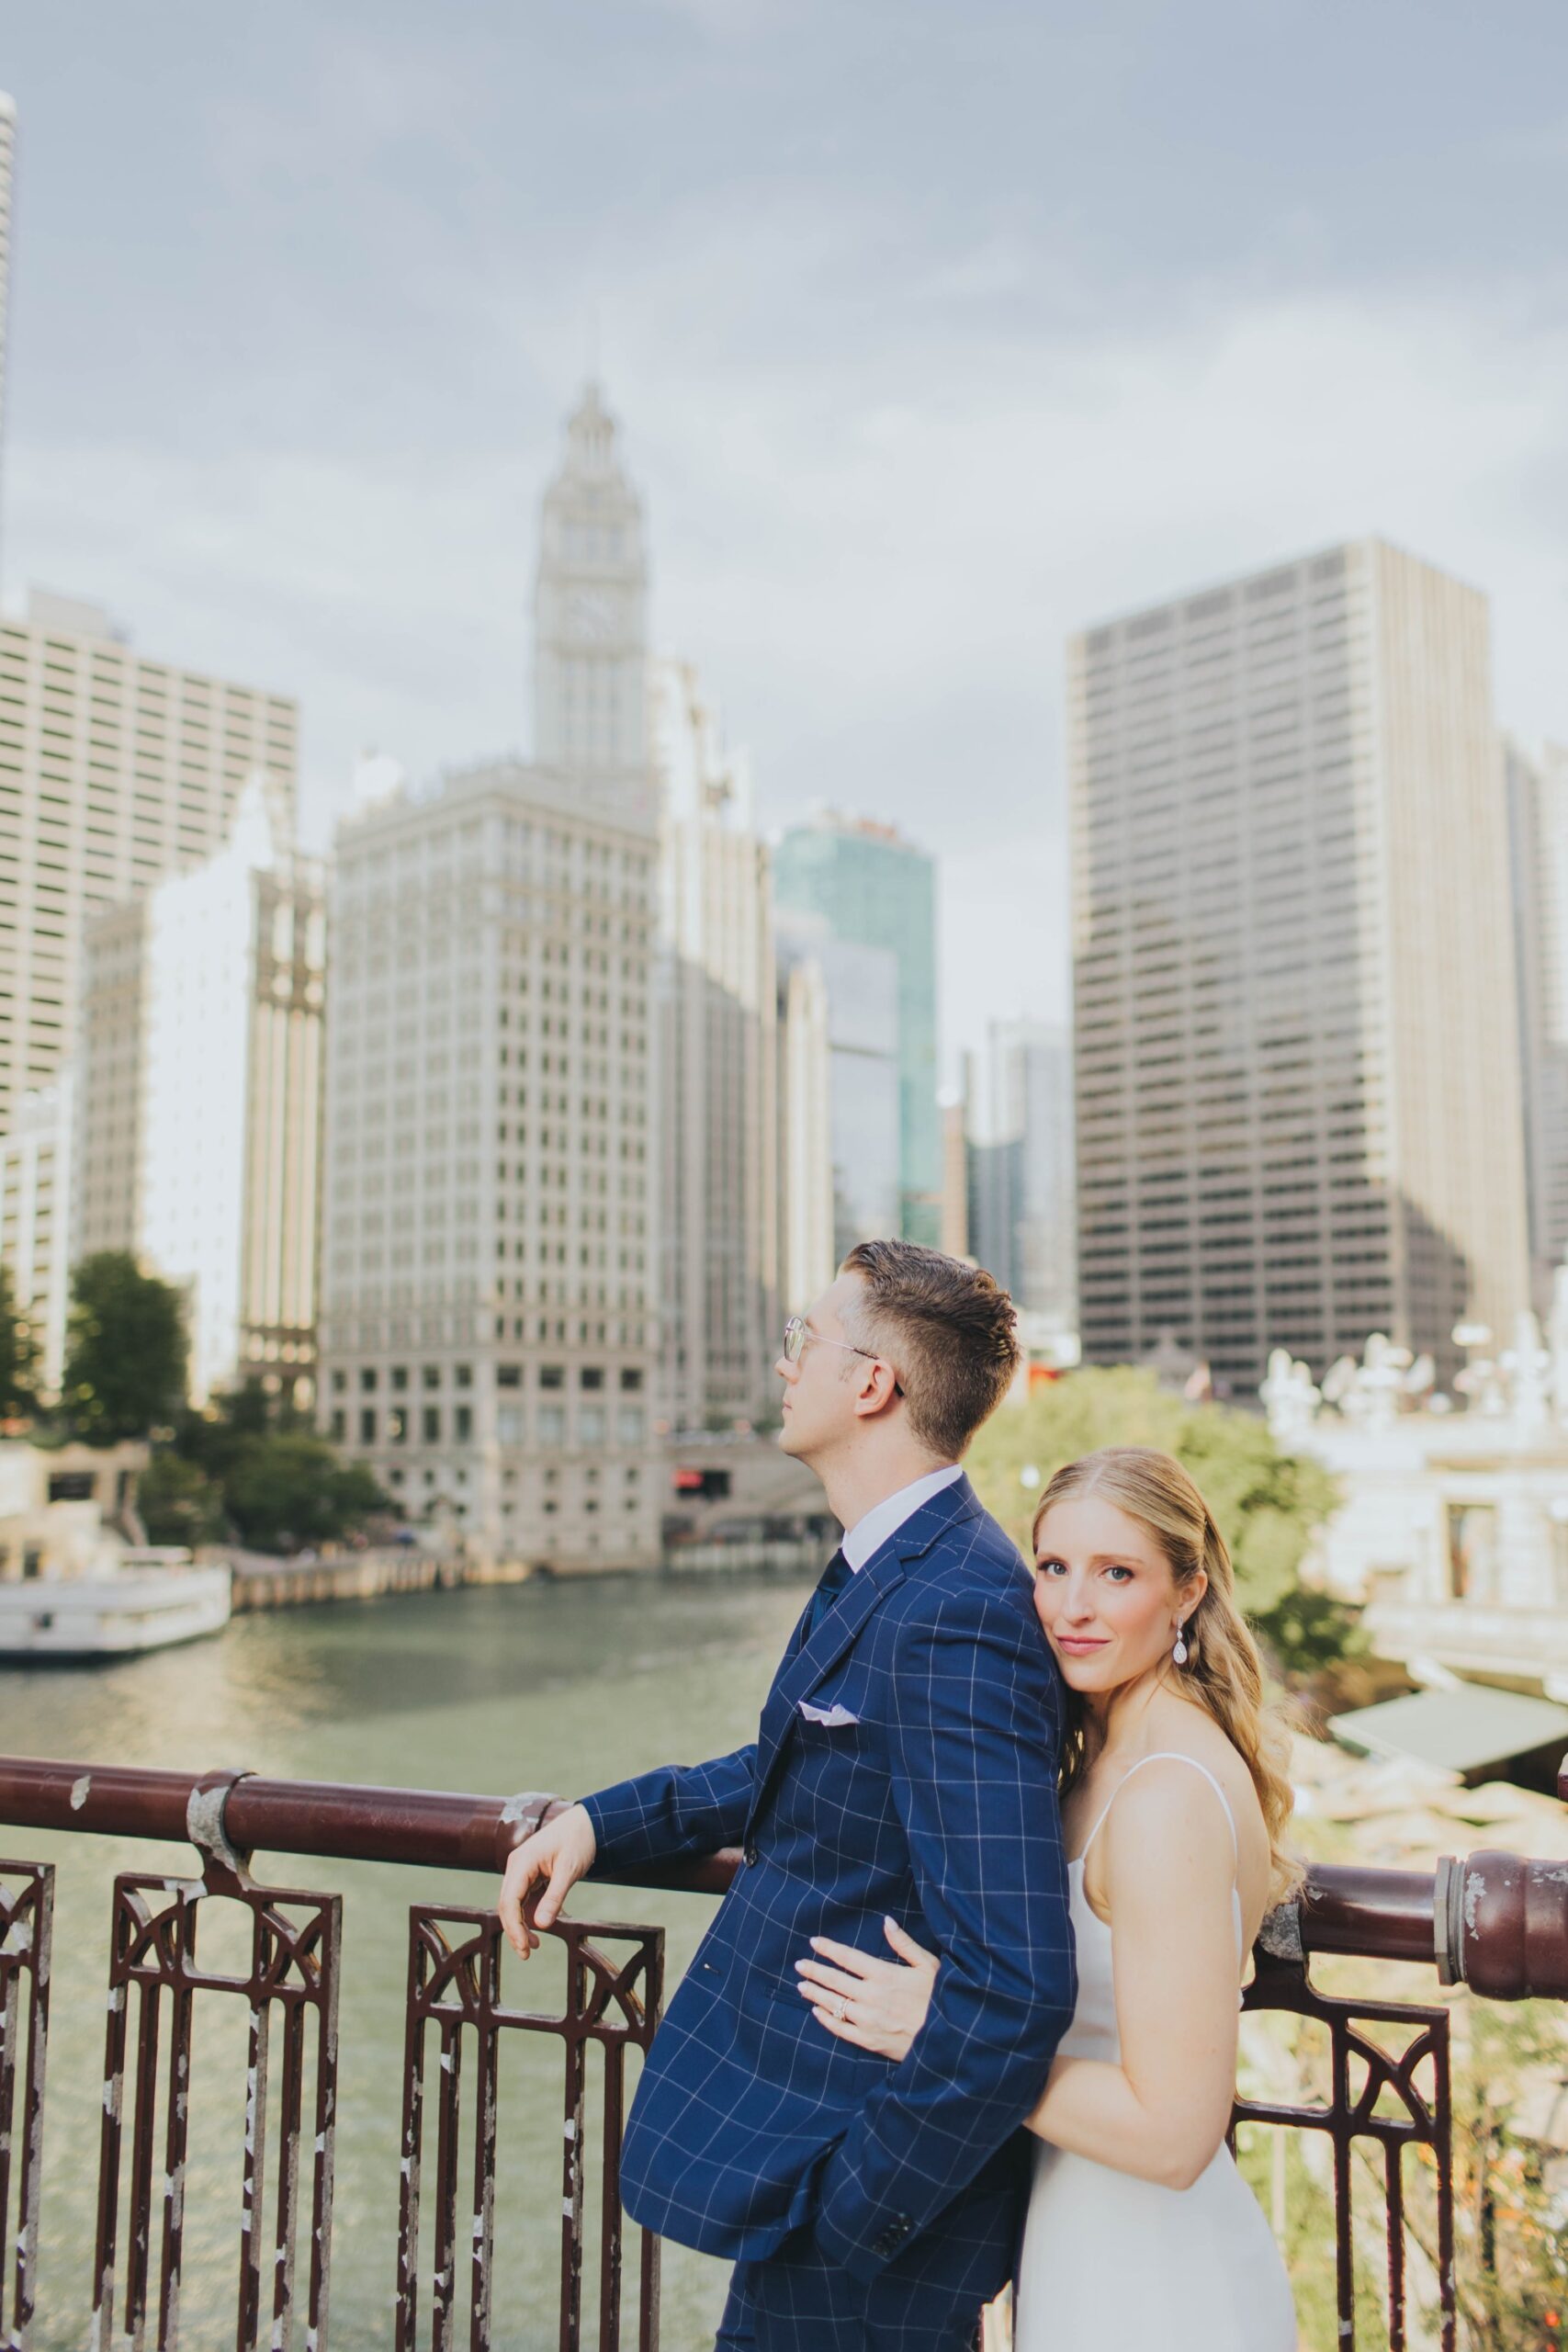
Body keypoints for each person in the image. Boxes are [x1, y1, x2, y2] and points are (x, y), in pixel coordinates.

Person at [498, 1239, 1076, 2352]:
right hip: (803, 2171)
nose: (784, 1365)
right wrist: (596, 1820)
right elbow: (793, 1763)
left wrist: (858, 2209)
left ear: (873, 1384)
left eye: (802, 1339)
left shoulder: (958, 1606)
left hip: (860, 2215)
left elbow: (1016, 1984)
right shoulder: (894, 1564)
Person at [793, 1444, 1301, 2351]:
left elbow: (1177, 2134)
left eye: (1118, 1573)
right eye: (1054, 1566)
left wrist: (946, 2034)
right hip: (1081, 2246)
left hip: (1159, 2286)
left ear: (1187, 1591)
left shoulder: (1164, 1796)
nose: (1073, 1607)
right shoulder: (1105, 1758)